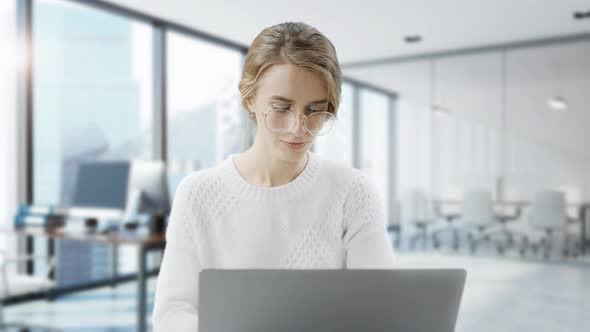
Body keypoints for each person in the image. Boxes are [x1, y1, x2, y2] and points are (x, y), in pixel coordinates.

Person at [152, 21, 394, 331]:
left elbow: (380, 311)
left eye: (315, 110)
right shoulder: (198, 192)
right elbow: (173, 313)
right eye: (282, 107)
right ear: (250, 99)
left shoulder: (352, 191)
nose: (299, 127)